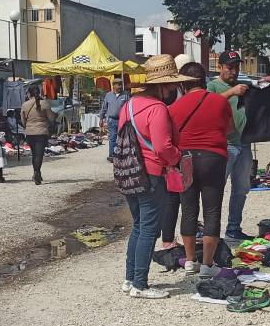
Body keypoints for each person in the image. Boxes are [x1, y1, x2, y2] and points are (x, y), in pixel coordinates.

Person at [119, 54, 183, 299]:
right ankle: (140, 284)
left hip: (129, 172)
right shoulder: (157, 108)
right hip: (151, 174)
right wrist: (177, 157)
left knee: (138, 227)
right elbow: (162, 147)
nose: (175, 89)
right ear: (163, 85)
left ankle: (129, 278)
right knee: (149, 229)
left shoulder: (130, 104)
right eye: (173, 84)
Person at [167, 61, 233, 278]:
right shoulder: (219, 101)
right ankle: (207, 264)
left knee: (188, 208)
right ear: (204, 80)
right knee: (212, 209)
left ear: (182, 84)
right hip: (214, 158)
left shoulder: (174, 108)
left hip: (185, 158)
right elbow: (230, 129)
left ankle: (190, 261)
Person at [206, 50, 251, 240]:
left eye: (237, 68)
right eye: (229, 68)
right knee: (216, 190)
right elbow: (207, 104)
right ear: (220, 67)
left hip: (245, 144)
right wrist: (232, 92)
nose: (233, 72)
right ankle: (211, 232)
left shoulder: (245, 86)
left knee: (241, 189)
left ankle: (234, 228)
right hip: (224, 146)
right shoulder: (213, 86)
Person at [21, 86, 52, 185]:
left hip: (30, 133)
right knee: (39, 154)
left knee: (34, 154)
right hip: (41, 132)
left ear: (29, 94)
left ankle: (36, 172)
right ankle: (37, 172)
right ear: (39, 93)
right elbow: (51, 118)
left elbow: (23, 121)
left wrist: (29, 126)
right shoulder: (45, 104)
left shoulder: (25, 105)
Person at [99, 76, 130, 161]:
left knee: (123, 138)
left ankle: (122, 155)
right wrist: (101, 118)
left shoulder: (126, 94)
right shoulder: (108, 95)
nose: (120, 86)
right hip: (112, 120)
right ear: (113, 86)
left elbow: (129, 107)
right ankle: (112, 155)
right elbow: (104, 107)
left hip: (123, 120)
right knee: (112, 137)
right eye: (118, 85)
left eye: (121, 84)